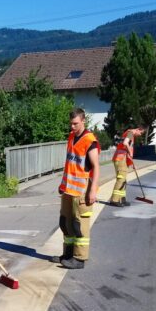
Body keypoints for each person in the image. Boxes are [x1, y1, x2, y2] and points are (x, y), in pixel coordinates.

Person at [58, 108, 101, 270]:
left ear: (83, 121)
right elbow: (70, 165)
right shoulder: (71, 137)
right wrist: (62, 184)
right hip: (68, 189)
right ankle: (68, 253)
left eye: (75, 124)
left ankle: (79, 257)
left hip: (82, 191)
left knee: (79, 225)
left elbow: (96, 167)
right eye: (71, 124)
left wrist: (93, 191)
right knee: (65, 223)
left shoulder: (90, 141)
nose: (72, 127)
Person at [108, 126, 145, 207]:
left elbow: (126, 149)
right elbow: (125, 143)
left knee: (124, 180)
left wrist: (131, 163)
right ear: (138, 129)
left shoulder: (129, 133)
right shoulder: (131, 133)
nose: (140, 135)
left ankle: (122, 199)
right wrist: (130, 152)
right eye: (141, 133)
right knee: (121, 179)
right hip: (120, 158)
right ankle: (114, 200)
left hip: (122, 158)